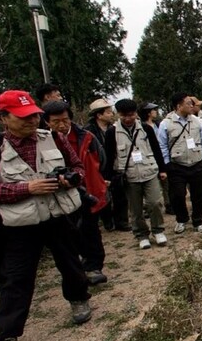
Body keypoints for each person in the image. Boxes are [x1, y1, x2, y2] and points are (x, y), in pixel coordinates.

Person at [0, 90, 91, 341]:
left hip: (58, 214)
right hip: (20, 224)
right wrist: (26, 188)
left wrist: (70, 180)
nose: (31, 122)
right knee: (16, 277)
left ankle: (79, 298)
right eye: (23, 117)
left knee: (70, 263)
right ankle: (7, 337)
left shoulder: (54, 138)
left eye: (34, 116)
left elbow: (77, 166)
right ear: (4, 118)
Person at [42, 101, 108, 285]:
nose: (62, 125)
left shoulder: (86, 136)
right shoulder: (43, 143)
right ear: (46, 122)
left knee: (90, 229)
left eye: (65, 120)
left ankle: (94, 266)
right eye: (56, 121)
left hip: (88, 190)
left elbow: (101, 160)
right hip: (59, 197)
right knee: (71, 233)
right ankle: (79, 266)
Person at [105, 99, 167, 249]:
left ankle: (158, 230)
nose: (128, 119)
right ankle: (141, 234)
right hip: (129, 175)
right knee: (136, 208)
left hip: (149, 171)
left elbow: (156, 149)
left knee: (155, 202)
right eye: (124, 115)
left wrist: (162, 169)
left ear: (136, 114)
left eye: (131, 115)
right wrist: (107, 177)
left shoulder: (146, 128)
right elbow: (109, 155)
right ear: (118, 114)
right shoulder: (112, 132)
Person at [158, 93, 202, 234]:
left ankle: (198, 220)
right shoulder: (166, 124)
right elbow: (162, 146)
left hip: (197, 163)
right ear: (178, 106)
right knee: (177, 195)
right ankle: (181, 219)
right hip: (177, 165)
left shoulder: (198, 121)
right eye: (188, 103)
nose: (192, 106)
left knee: (199, 194)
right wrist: (167, 164)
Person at [86, 98, 129, 231]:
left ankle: (122, 222)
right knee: (102, 195)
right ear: (99, 115)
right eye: (108, 112)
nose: (111, 115)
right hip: (97, 168)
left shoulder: (115, 129)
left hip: (114, 166)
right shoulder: (88, 132)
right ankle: (107, 222)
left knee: (120, 194)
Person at [139, 102, 172, 213]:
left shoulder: (158, 124)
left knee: (166, 182)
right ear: (148, 113)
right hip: (147, 158)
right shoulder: (141, 127)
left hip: (161, 156)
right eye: (154, 110)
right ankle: (147, 208)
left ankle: (168, 204)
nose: (156, 112)